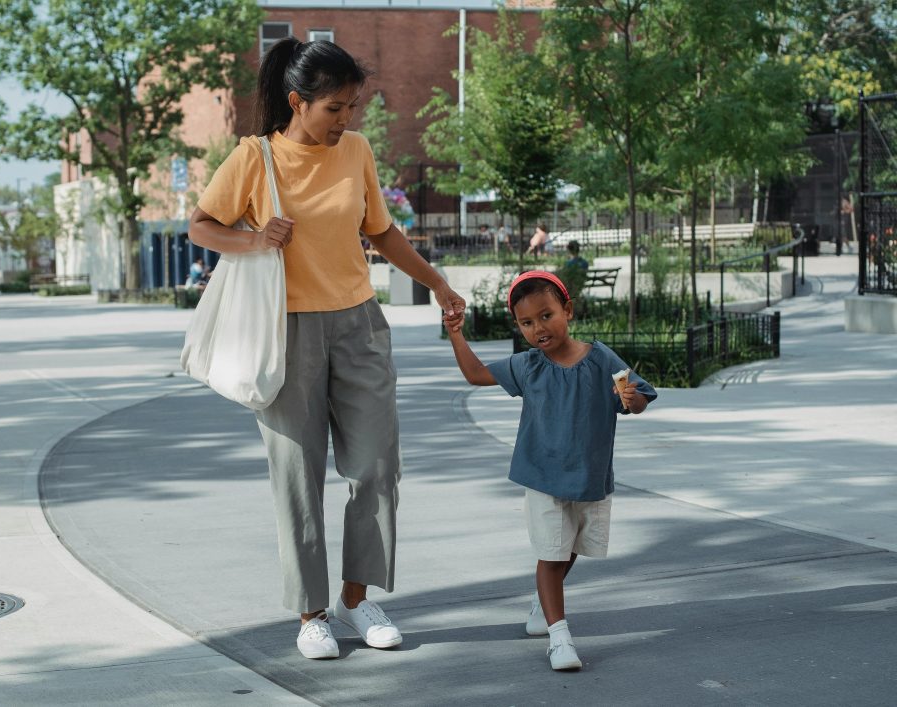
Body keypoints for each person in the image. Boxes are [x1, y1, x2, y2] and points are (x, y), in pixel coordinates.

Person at [187, 38, 465, 660]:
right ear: (297, 102)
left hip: (359, 325)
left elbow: (382, 232)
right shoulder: (254, 158)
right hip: (285, 332)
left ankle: (356, 597)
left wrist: (438, 282)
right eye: (335, 108)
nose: (346, 120)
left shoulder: (357, 152)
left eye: (352, 107)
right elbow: (201, 226)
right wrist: (258, 239)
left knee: (375, 467)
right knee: (298, 474)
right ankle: (312, 613)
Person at [444, 271, 656, 671]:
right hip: (542, 476)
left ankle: (544, 602)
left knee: (568, 549)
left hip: (589, 476)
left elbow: (638, 396)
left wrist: (631, 399)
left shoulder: (601, 359)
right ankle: (560, 638)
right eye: (527, 322)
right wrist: (456, 333)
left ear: (567, 311)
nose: (538, 328)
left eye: (546, 316)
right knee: (551, 554)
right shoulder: (528, 366)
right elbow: (475, 374)